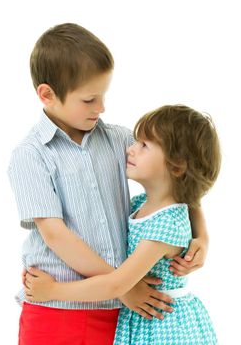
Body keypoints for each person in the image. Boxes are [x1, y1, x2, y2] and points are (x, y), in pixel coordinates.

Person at [8, 23, 210, 344]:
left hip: (121, 314)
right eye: (89, 99)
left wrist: (201, 234)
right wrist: (124, 285)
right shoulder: (31, 155)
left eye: (103, 96)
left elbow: (174, 178)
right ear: (47, 95)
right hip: (57, 306)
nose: (101, 108)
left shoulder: (120, 140)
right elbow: (56, 235)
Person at [24, 105, 221, 344]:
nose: (130, 149)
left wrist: (53, 291)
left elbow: (115, 285)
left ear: (177, 166)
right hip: (143, 321)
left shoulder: (165, 226)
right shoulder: (141, 205)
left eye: (144, 146)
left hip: (162, 325)